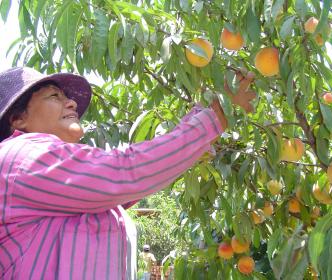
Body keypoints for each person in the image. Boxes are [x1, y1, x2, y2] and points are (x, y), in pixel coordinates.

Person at [0, 67, 253, 279]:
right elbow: (128, 171)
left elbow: (141, 173)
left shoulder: (63, 182)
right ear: (18, 119)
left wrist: (205, 111)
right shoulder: (21, 158)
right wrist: (217, 112)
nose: (71, 102)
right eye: (55, 96)